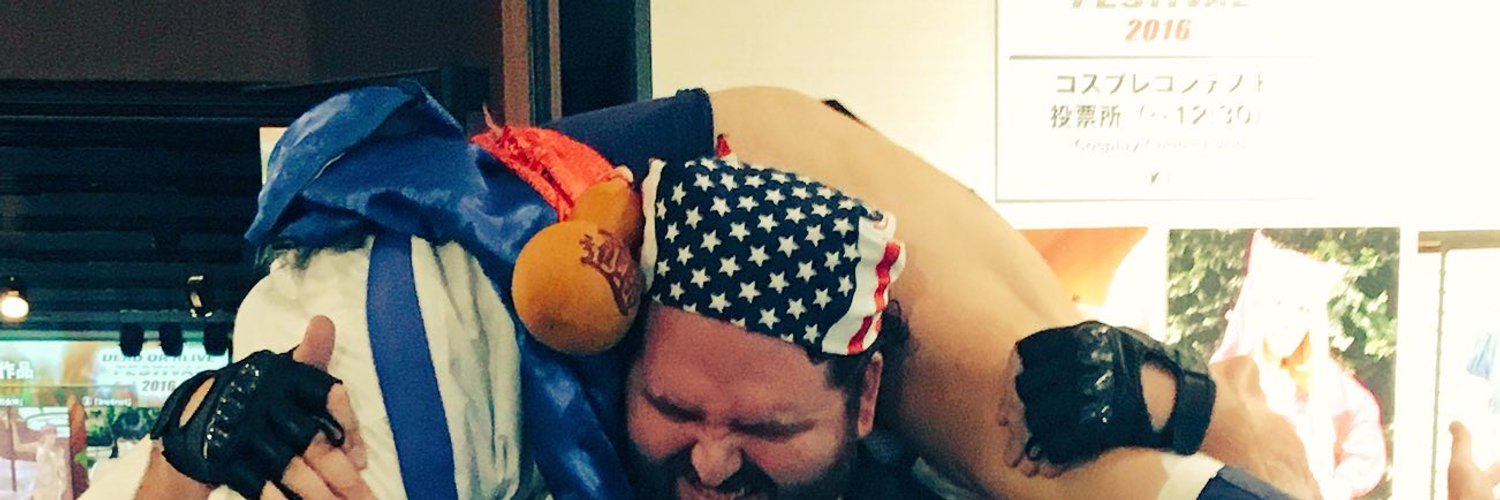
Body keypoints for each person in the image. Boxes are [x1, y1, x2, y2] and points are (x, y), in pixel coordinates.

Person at [91, 84, 1320, 499]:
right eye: (678, 407)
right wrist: (189, 439)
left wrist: (1184, 400)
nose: (715, 458)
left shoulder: (921, 461)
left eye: (769, 425)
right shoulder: (562, 422)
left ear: (864, 400)